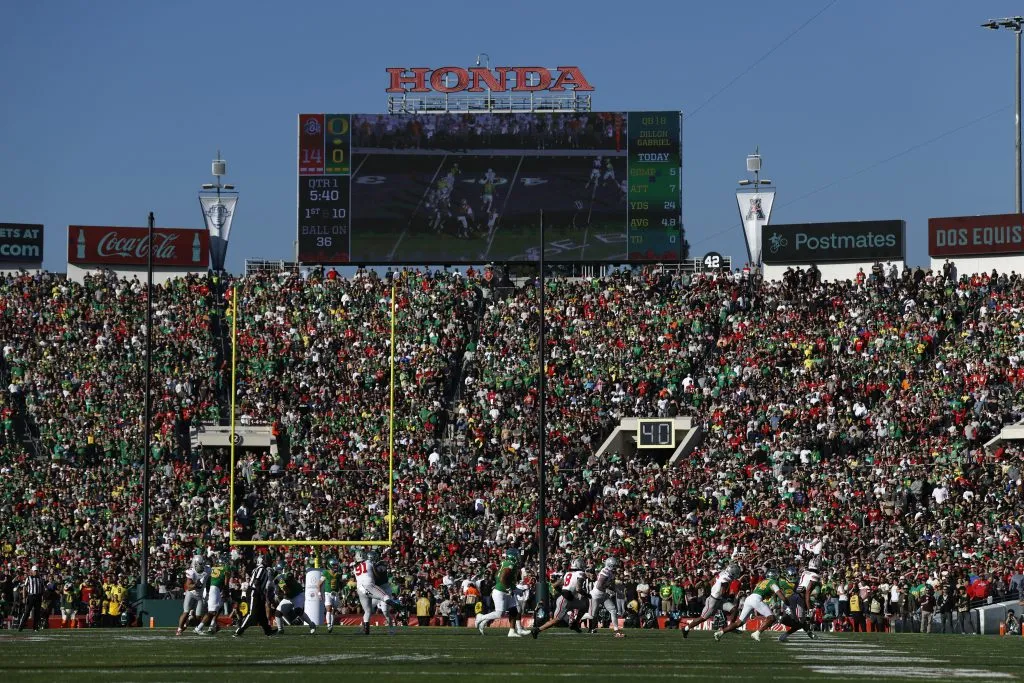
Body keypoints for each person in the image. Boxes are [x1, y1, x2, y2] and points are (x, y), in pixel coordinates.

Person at [715, 568, 791, 642]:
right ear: (775, 576)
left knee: (739, 622)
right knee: (771, 618)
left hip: (749, 598)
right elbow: (780, 595)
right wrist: (788, 603)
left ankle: (720, 632)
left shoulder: (762, 581)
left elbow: (769, 593)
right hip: (756, 599)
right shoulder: (773, 582)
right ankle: (756, 633)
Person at [476, 548, 530, 638]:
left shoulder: (507, 563)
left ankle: (515, 630)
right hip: (501, 591)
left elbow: (501, 577)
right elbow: (502, 578)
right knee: (499, 614)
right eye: (517, 555)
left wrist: (516, 589)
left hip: (506, 590)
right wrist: (509, 588)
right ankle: (480, 617)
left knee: (516, 609)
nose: (518, 557)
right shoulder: (510, 564)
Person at [532, 558, 589, 638]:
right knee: (556, 620)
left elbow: (555, 585)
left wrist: (561, 591)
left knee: (584, 605)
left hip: (569, 598)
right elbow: (578, 589)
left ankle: (575, 624)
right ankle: (537, 630)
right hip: (565, 600)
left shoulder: (568, 573)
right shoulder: (580, 573)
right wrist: (587, 595)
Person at [682, 563, 740, 637]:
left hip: (719, 599)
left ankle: (731, 627)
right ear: (732, 572)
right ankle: (686, 628)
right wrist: (729, 596)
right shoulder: (726, 579)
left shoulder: (723, 573)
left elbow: (713, 580)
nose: (737, 574)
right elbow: (722, 592)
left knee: (735, 609)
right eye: (736, 572)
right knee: (703, 618)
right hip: (713, 600)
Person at [234, 554, 275, 638]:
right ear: (263, 561)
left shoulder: (261, 569)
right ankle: (239, 630)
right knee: (252, 614)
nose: (270, 562)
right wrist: (261, 593)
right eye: (268, 560)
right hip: (254, 592)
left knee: (262, 614)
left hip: (257, 592)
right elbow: (257, 582)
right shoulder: (261, 569)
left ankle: (268, 631)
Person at [584, 557, 624, 637]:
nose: (616, 567)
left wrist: (617, 591)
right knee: (592, 615)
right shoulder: (605, 571)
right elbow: (599, 586)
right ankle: (575, 616)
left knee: (613, 610)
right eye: (614, 565)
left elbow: (611, 585)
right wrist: (607, 590)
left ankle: (616, 630)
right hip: (596, 594)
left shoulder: (611, 572)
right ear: (610, 565)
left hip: (603, 594)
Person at [270, 566, 317, 635]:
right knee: (278, 613)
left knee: (298, 611)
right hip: (288, 597)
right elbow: (280, 592)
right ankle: (280, 629)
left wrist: (280, 592)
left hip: (298, 595)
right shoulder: (276, 581)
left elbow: (286, 591)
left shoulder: (282, 579)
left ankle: (311, 624)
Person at [196, 554, 228, 635]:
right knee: (212, 612)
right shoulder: (225, 568)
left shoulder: (212, 568)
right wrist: (225, 592)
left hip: (206, 589)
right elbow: (226, 583)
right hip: (213, 589)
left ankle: (212, 625)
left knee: (219, 607)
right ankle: (198, 628)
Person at [177, 555, 208, 636]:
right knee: (186, 612)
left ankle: (191, 624)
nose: (201, 566)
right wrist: (195, 585)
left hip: (200, 596)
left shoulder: (207, 569)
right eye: (200, 564)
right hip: (191, 594)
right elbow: (188, 587)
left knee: (198, 617)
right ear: (195, 563)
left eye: (202, 564)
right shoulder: (191, 572)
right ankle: (179, 629)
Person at [17, 565, 44, 632]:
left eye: (37, 571)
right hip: (31, 596)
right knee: (27, 612)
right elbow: (24, 587)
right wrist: (24, 597)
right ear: (32, 571)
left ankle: (35, 627)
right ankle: (21, 627)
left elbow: (43, 588)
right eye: (35, 571)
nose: (36, 572)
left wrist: (42, 596)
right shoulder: (28, 578)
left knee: (37, 612)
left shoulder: (40, 578)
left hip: (38, 596)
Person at [321, 558, 341, 633]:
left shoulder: (338, 574)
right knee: (329, 609)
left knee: (333, 610)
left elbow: (340, 584)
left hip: (335, 593)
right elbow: (319, 584)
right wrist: (319, 593)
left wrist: (341, 592)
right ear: (329, 565)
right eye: (334, 565)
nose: (335, 566)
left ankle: (331, 625)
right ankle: (328, 624)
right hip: (328, 593)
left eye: (336, 565)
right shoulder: (325, 572)